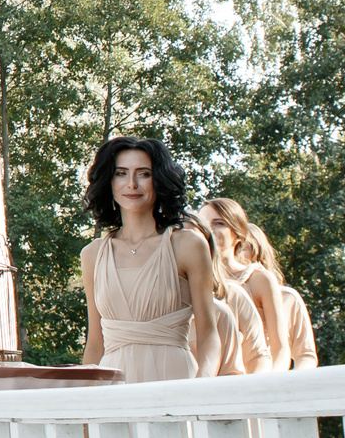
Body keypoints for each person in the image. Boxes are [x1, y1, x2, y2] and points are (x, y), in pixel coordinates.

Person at [78, 137, 220, 380]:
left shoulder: (187, 245)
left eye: (143, 174)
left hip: (174, 380)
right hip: (113, 387)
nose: (131, 184)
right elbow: (95, 343)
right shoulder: (92, 254)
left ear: (159, 179)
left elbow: (208, 333)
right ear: (109, 181)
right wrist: (84, 406)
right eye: (121, 173)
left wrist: (202, 385)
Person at [200, 197, 287, 366]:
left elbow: (280, 350)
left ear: (238, 234)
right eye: (203, 224)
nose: (209, 230)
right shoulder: (188, 279)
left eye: (219, 223)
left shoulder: (260, 280)